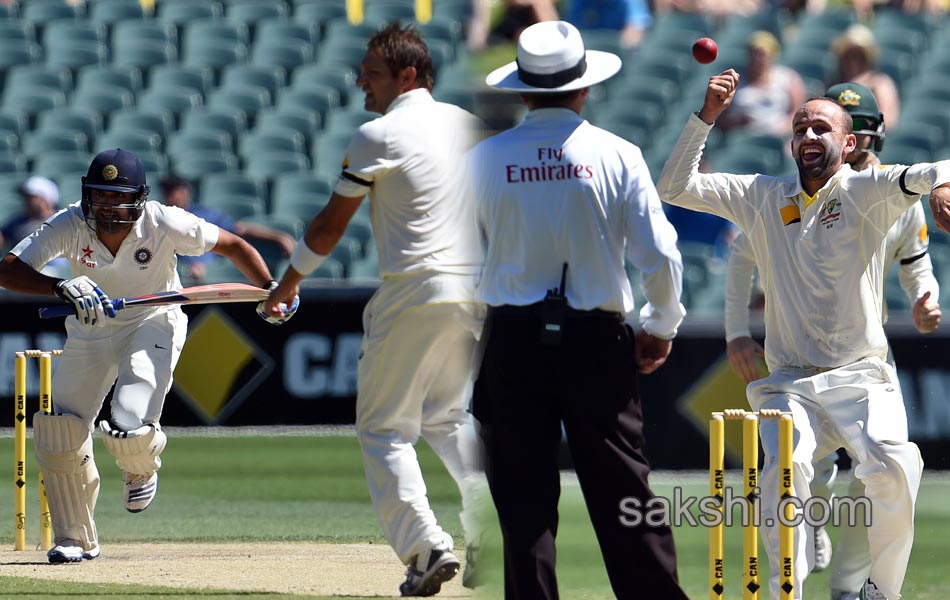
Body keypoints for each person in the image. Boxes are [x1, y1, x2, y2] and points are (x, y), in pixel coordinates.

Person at [658, 68, 950, 600]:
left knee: (897, 466)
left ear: (850, 143)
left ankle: (880, 591)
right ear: (791, 142)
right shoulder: (761, 196)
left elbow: (936, 169)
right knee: (782, 477)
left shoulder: (867, 190)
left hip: (863, 374)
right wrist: (706, 117)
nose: (809, 136)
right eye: (800, 128)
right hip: (789, 381)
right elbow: (674, 186)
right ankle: (783, 593)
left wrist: (943, 185)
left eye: (822, 129)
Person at [264, 23, 489, 597]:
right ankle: (497, 528)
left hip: (415, 289)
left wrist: (288, 284)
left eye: (373, 73)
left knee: (384, 428)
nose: (361, 81)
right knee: (447, 417)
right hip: (476, 291)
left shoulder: (377, 135)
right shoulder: (468, 125)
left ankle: (425, 547)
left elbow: (327, 227)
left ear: (408, 75)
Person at [468, 21, 689, 599]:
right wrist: (659, 325)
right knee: (626, 493)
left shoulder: (484, 158)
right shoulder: (616, 154)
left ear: (521, 90)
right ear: (585, 88)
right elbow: (660, 254)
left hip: (513, 339)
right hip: (597, 339)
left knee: (523, 501)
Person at [0, 148, 297, 564]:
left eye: (116, 197)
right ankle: (74, 538)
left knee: (128, 420)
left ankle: (140, 466)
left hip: (153, 320)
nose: (107, 206)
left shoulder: (164, 221)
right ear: (87, 195)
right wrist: (60, 287)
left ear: (138, 198)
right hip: (91, 328)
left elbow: (232, 245)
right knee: (59, 428)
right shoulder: (70, 222)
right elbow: (8, 269)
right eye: (99, 196)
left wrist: (272, 288)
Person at [159, 174, 296, 285]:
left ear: (185, 191)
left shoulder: (203, 214)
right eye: (166, 192)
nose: (169, 196)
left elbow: (239, 229)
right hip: (176, 277)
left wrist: (279, 237)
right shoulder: (161, 218)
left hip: (208, 277)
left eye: (173, 191)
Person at [717, 30, 808, 138]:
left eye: (761, 54)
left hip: (778, 137)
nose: (756, 58)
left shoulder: (788, 78)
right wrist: (737, 121)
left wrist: (780, 128)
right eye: (752, 53)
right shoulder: (735, 79)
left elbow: (798, 113)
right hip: (742, 136)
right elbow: (720, 116)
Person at [829, 24, 900, 131]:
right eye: (849, 54)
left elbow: (889, 120)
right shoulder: (834, 83)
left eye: (859, 54)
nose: (853, 59)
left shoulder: (879, 83)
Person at [0, 176, 69, 277]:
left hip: (54, 272)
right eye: (26, 197)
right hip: (21, 271)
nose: (26, 201)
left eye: (31, 197)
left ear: (46, 199)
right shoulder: (17, 221)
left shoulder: (61, 220)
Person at [567, 0, 653, 50]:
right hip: (590, 60)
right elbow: (572, 34)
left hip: (621, 62)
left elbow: (636, 31)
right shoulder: (579, 2)